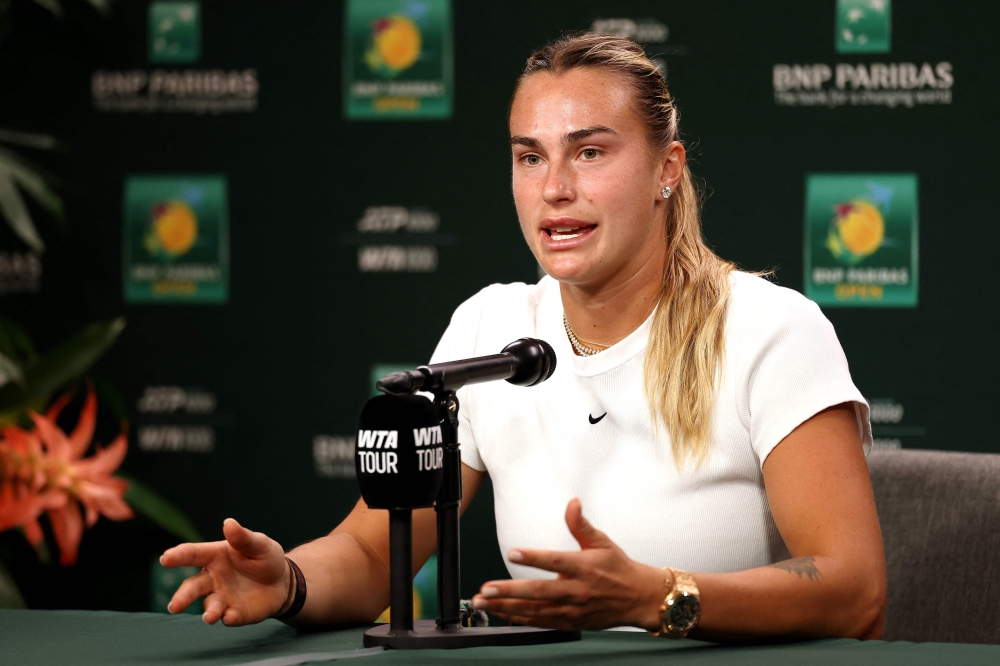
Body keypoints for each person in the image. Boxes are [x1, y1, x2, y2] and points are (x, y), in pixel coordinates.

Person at [161, 34, 885, 641]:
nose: (554, 187)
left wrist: (653, 600)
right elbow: (367, 549)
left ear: (667, 171)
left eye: (590, 153)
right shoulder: (492, 326)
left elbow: (855, 591)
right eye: (530, 156)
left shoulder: (768, 329)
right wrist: (285, 581)